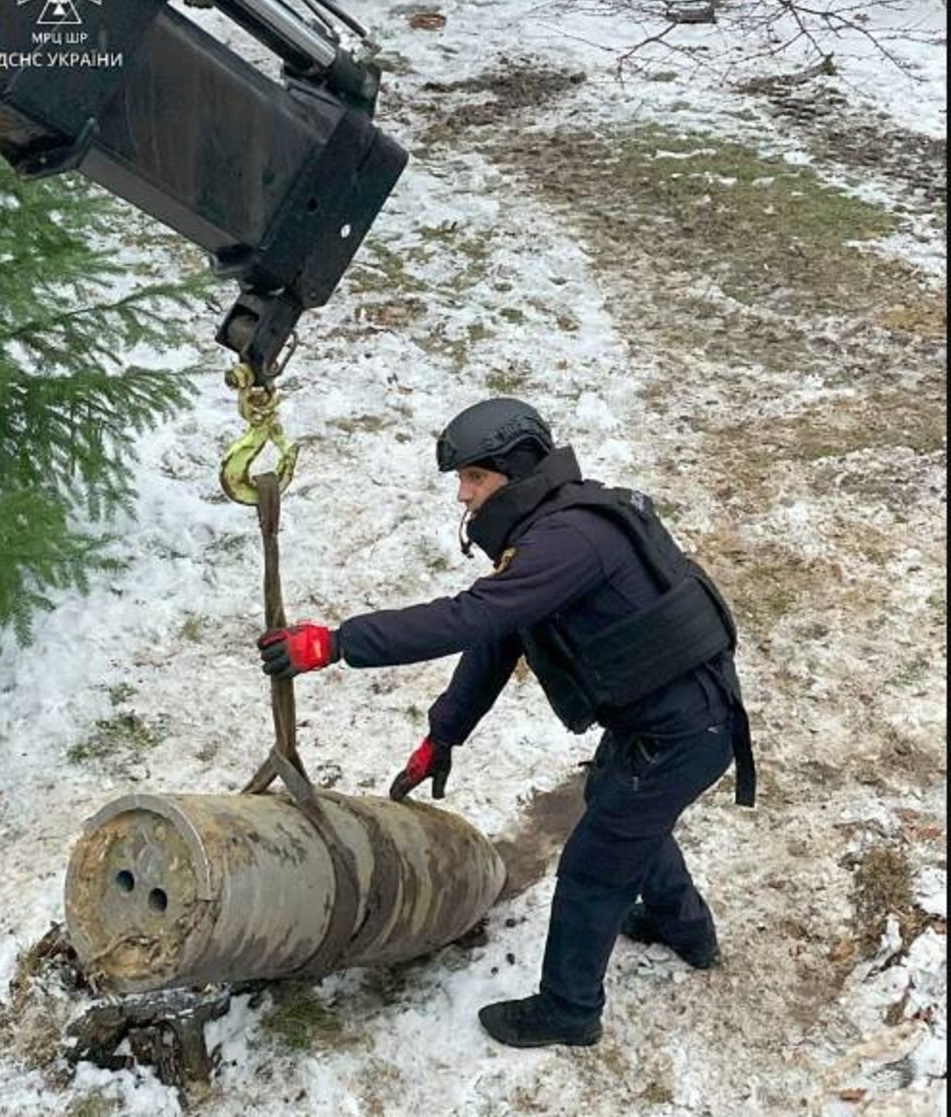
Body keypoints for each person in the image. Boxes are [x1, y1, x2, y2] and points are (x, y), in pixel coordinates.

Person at [256, 397, 756, 1049]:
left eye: (475, 477)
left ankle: (570, 1009)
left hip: (682, 730)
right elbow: (498, 639)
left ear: (516, 471)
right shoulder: (552, 531)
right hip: (667, 720)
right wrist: (443, 735)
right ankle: (683, 927)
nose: (463, 495)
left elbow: (469, 618)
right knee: (620, 807)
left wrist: (336, 643)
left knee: (596, 865)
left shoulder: (569, 541)